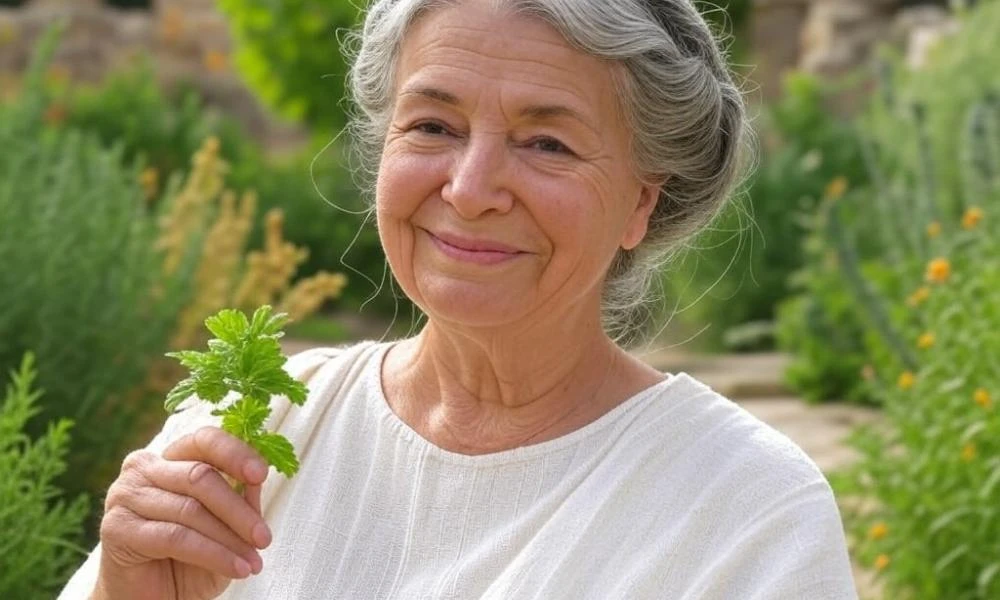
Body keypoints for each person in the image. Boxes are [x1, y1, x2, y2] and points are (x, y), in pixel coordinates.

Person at [60, 0, 859, 598]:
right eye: (434, 126)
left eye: (547, 142)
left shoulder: (748, 511)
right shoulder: (249, 429)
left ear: (642, 202)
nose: (470, 189)